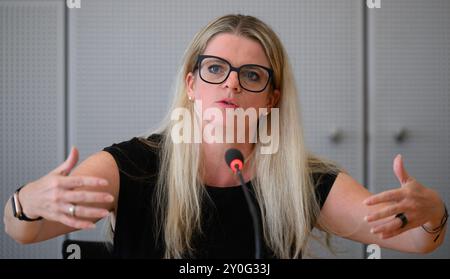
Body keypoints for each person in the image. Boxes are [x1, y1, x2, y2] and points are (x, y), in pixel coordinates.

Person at [4, 14, 447, 259]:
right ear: (192, 83)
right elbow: (22, 233)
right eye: (215, 69)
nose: (231, 85)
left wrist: (433, 213)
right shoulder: (130, 165)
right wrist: (24, 202)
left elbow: (416, 240)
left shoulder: (303, 180)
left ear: (272, 98)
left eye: (250, 75)